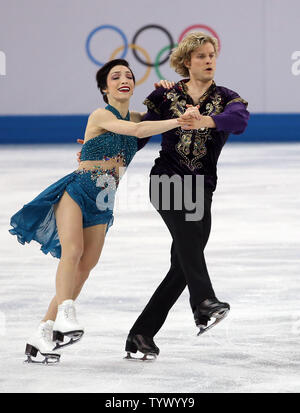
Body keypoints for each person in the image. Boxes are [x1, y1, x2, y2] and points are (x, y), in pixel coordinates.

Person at [9, 58, 184, 364]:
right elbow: (140, 128)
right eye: (115, 77)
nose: (124, 80)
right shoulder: (100, 115)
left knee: (85, 267)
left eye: (129, 76)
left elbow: (152, 117)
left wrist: (166, 91)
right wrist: (177, 121)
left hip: (104, 201)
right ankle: (66, 314)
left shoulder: (137, 116)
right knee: (73, 251)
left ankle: (42, 335)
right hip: (77, 190)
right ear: (105, 88)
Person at [124, 32, 250, 360]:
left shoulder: (226, 97)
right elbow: (141, 133)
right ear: (187, 62)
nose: (209, 61)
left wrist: (204, 121)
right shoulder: (165, 96)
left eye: (212, 55)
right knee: (189, 251)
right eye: (201, 57)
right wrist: (105, 152)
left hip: (201, 188)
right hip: (166, 181)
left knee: (184, 263)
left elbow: (239, 121)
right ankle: (204, 303)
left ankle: (141, 334)